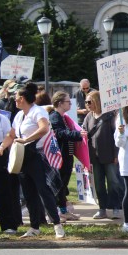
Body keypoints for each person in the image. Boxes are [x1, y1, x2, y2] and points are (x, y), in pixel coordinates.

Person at [0, 83, 65, 239]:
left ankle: (57, 224)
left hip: (37, 156)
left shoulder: (38, 111)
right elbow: (12, 135)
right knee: (28, 194)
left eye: (16, 98)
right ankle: (34, 227)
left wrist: (26, 139)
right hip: (22, 157)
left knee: (43, 190)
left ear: (22, 98)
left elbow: (44, 128)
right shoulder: (19, 115)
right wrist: (2, 147)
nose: (14, 100)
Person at [82, 90, 124, 219]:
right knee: (99, 184)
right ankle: (102, 209)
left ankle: (116, 207)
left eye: (90, 101)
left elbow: (116, 135)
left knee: (113, 182)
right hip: (94, 157)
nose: (87, 104)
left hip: (110, 155)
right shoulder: (88, 116)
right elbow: (83, 132)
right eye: (86, 102)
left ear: (97, 101)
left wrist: (116, 154)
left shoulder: (110, 116)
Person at [49, 91, 86, 222]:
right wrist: (77, 135)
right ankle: (59, 213)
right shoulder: (55, 116)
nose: (70, 104)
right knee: (59, 184)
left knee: (63, 184)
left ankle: (63, 211)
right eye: (68, 102)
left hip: (66, 155)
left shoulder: (63, 117)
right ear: (60, 103)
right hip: (61, 156)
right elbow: (60, 133)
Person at [0, 93, 20, 234]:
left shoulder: (2, 119)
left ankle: (8, 224)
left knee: (3, 190)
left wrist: (2, 147)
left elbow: (10, 136)